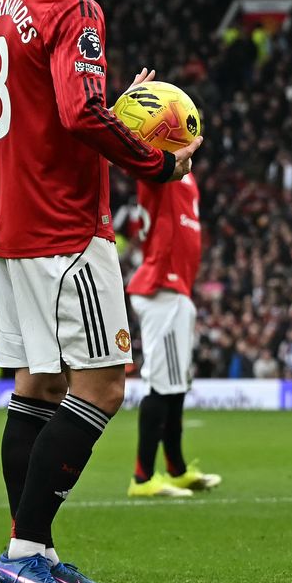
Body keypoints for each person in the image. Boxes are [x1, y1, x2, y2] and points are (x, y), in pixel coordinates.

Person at [0, 0, 201, 583]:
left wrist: (114, 102)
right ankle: (22, 548)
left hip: (11, 222)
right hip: (67, 226)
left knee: (38, 384)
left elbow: (60, 105)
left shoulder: (3, 5)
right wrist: (159, 163)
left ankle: (34, 547)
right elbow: (80, 115)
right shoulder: (75, 7)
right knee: (104, 384)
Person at [125, 172, 222, 498]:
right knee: (161, 384)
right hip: (160, 286)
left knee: (176, 384)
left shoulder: (187, 175)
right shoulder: (159, 165)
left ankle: (177, 470)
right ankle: (142, 478)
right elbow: (134, 162)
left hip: (177, 289)